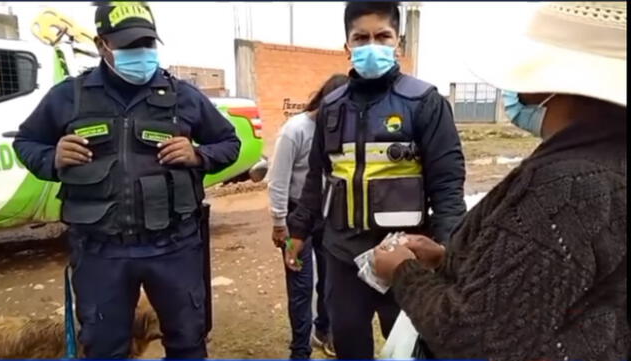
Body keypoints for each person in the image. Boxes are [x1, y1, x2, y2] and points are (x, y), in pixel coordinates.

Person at [374, 2, 628, 360]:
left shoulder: (566, 188)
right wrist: (451, 260)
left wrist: (402, 270)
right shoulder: (608, 162)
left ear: (541, 85)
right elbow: (548, 276)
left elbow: (472, 338)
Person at [13, 2, 240, 359]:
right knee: (104, 348)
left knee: (187, 341)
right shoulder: (69, 96)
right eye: (129, 45)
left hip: (174, 247)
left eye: (148, 43)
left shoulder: (183, 96)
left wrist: (199, 155)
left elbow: (229, 143)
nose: (142, 53)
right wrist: (51, 157)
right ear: (103, 44)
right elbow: (26, 142)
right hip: (101, 251)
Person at [286, 2, 467, 359]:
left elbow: (447, 188)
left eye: (382, 36)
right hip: (341, 255)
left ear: (397, 42)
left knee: (408, 348)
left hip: (404, 255)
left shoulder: (425, 103)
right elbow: (316, 178)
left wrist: (448, 252)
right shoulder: (332, 108)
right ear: (347, 46)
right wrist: (297, 232)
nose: (372, 45)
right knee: (349, 344)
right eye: (361, 37)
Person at [267, 74, 349, 360]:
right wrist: (279, 224)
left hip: (328, 218)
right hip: (293, 220)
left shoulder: (340, 129)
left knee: (331, 281)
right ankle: (299, 350)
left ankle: (324, 331)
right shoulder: (295, 130)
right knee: (300, 285)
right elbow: (278, 181)